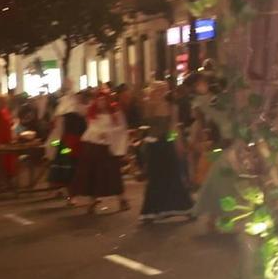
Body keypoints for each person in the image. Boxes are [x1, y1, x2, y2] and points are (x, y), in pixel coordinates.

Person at [136, 80, 195, 222]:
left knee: (173, 175)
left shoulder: (172, 106)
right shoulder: (149, 105)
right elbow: (146, 123)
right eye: (159, 89)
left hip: (166, 145)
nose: (162, 92)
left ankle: (182, 208)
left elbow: (173, 127)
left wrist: (176, 142)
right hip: (153, 145)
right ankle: (154, 210)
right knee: (155, 178)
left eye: (164, 89)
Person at [74, 85, 131, 213]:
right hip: (93, 147)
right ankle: (93, 201)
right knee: (92, 175)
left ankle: (122, 199)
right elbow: (82, 114)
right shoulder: (92, 113)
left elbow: (121, 128)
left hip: (108, 148)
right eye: (99, 100)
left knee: (112, 176)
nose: (101, 103)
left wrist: (109, 134)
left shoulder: (115, 113)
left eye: (103, 100)